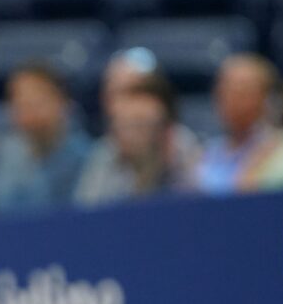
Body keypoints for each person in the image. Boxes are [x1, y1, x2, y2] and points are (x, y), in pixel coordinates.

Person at [0, 63, 91, 215]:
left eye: (37, 97)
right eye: (19, 99)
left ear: (62, 102)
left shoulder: (89, 158)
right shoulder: (5, 153)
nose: (27, 105)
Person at [77, 73, 200, 206]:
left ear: (167, 130)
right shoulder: (106, 153)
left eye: (141, 124)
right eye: (123, 125)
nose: (130, 135)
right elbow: (87, 211)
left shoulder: (185, 149)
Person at [195, 53, 282, 194]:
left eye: (242, 90)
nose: (231, 97)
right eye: (226, 88)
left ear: (266, 98)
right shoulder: (205, 154)